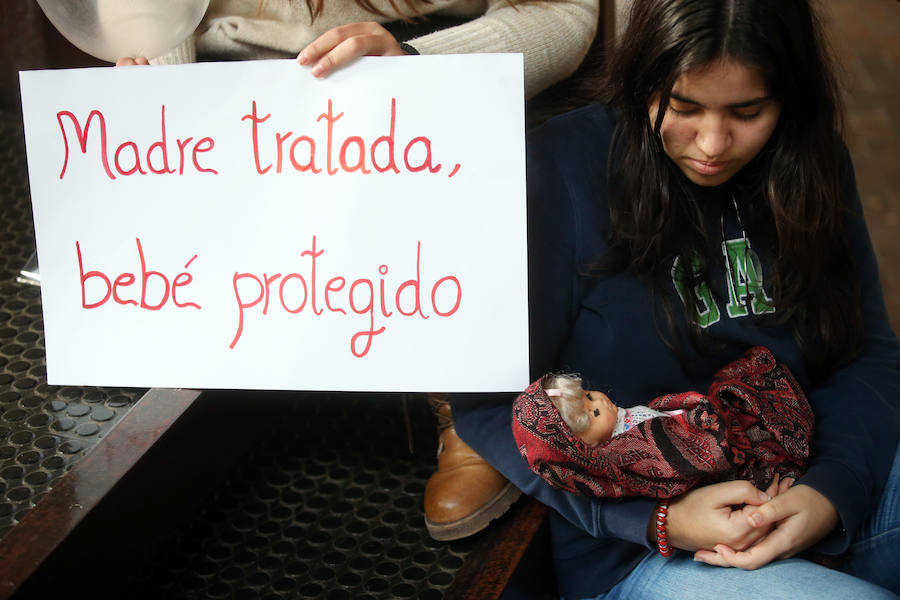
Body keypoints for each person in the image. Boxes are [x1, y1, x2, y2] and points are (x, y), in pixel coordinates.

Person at [448, 0, 900, 597]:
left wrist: (831, 492)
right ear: (644, 79)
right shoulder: (560, 168)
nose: (712, 144)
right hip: (644, 552)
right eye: (683, 108)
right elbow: (486, 406)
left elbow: (867, 353)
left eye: (748, 112)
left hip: (810, 478)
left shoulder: (812, 161)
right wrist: (660, 521)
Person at [116, 0, 600, 542]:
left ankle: (466, 397)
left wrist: (424, 64)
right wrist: (163, 83)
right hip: (230, 101)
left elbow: (567, 14)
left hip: (416, 78)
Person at [512, 346, 813, 499]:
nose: (600, 402)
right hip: (702, 449)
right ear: (584, 448)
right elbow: (670, 459)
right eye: (594, 414)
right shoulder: (624, 450)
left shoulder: (622, 420)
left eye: (589, 395)